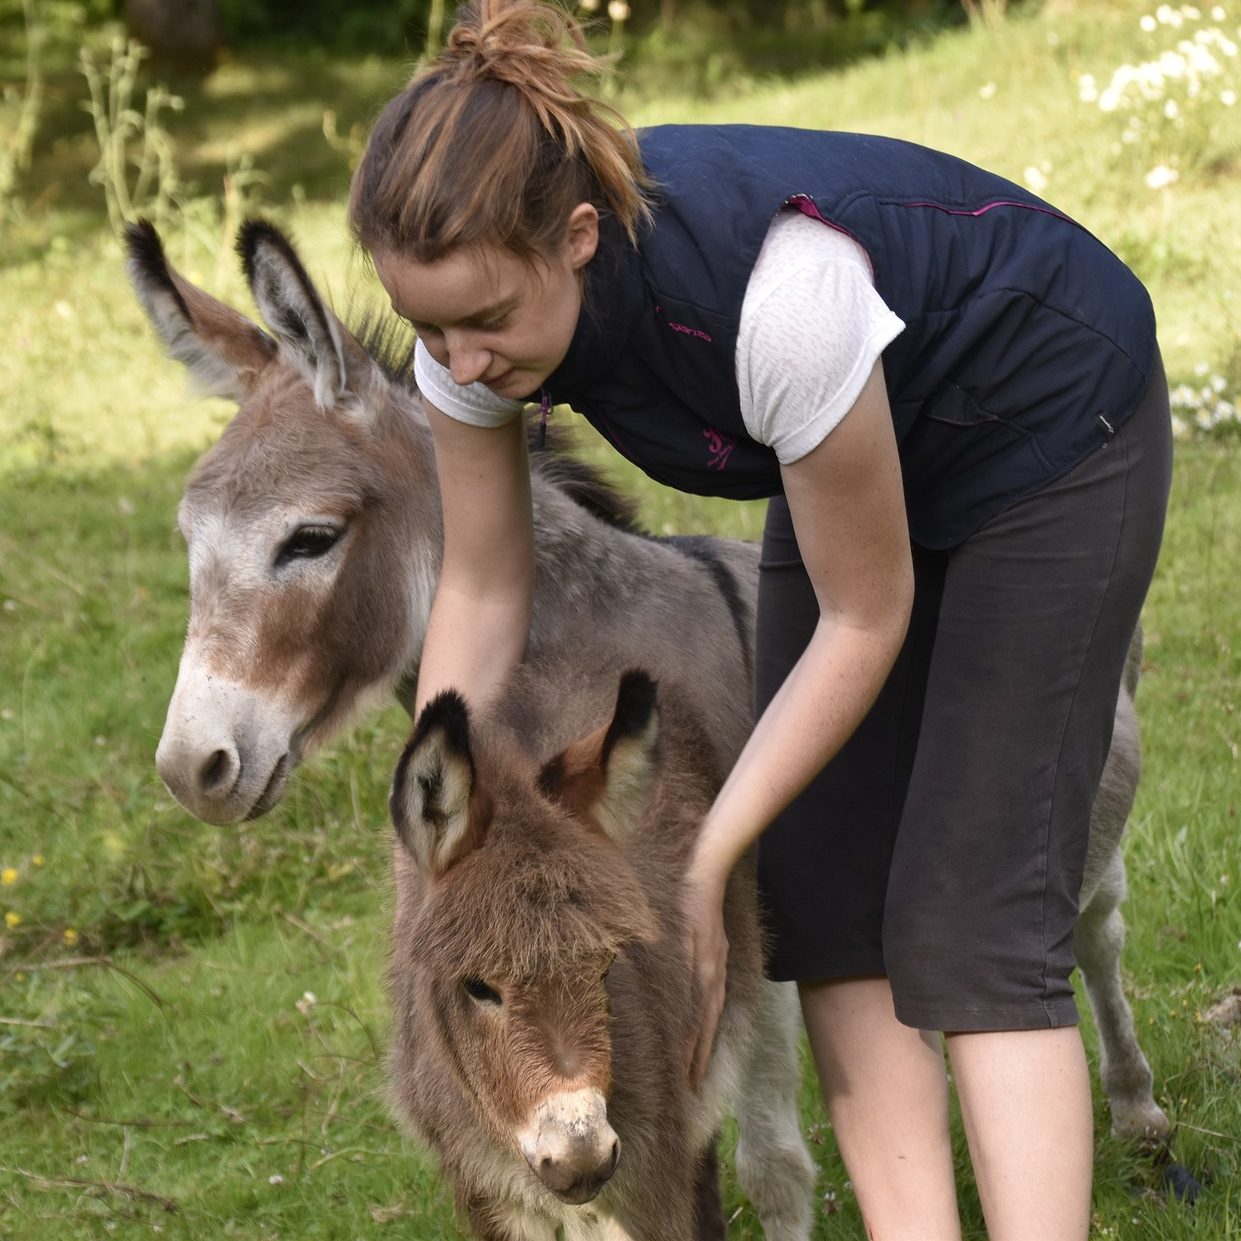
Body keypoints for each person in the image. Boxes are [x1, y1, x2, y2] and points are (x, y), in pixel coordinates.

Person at [348, 3, 1172, 1237]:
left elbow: (863, 609)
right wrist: (439, 861)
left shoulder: (779, 300)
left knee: (977, 916)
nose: (458, 365)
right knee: (829, 903)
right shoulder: (468, 343)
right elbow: (478, 590)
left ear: (575, 239)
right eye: (428, 330)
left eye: (485, 323)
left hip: (1043, 433)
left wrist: (707, 854)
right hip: (849, 452)